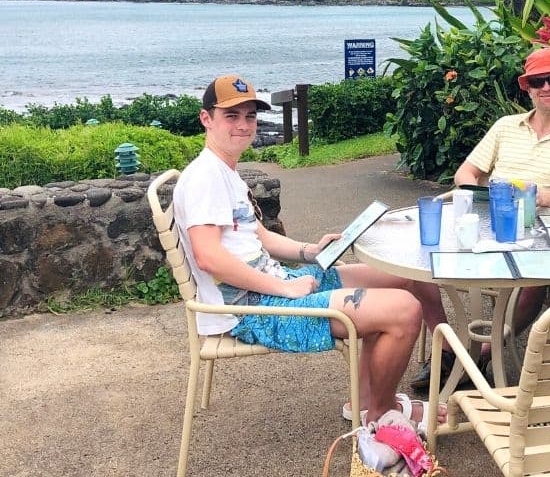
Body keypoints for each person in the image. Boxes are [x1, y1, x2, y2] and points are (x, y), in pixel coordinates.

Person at [173, 73, 446, 427]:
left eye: (250, 117)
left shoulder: (224, 172)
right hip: (252, 310)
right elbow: (209, 257)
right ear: (205, 118)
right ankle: (379, 411)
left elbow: (263, 238)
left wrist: (312, 251)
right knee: (404, 309)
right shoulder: (205, 178)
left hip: (276, 285)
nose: (243, 126)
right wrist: (285, 288)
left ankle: (367, 398)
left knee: (401, 274)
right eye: (231, 116)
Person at [410, 46, 550, 389]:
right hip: (488, 218)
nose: (546, 87)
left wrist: (544, 196)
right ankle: (449, 349)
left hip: (541, 226)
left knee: (534, 283)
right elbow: (465, 173)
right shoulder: (504, 127)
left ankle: (481, 354)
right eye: (537, 81)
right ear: (526, 87)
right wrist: (484, 199)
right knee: (417, 264)